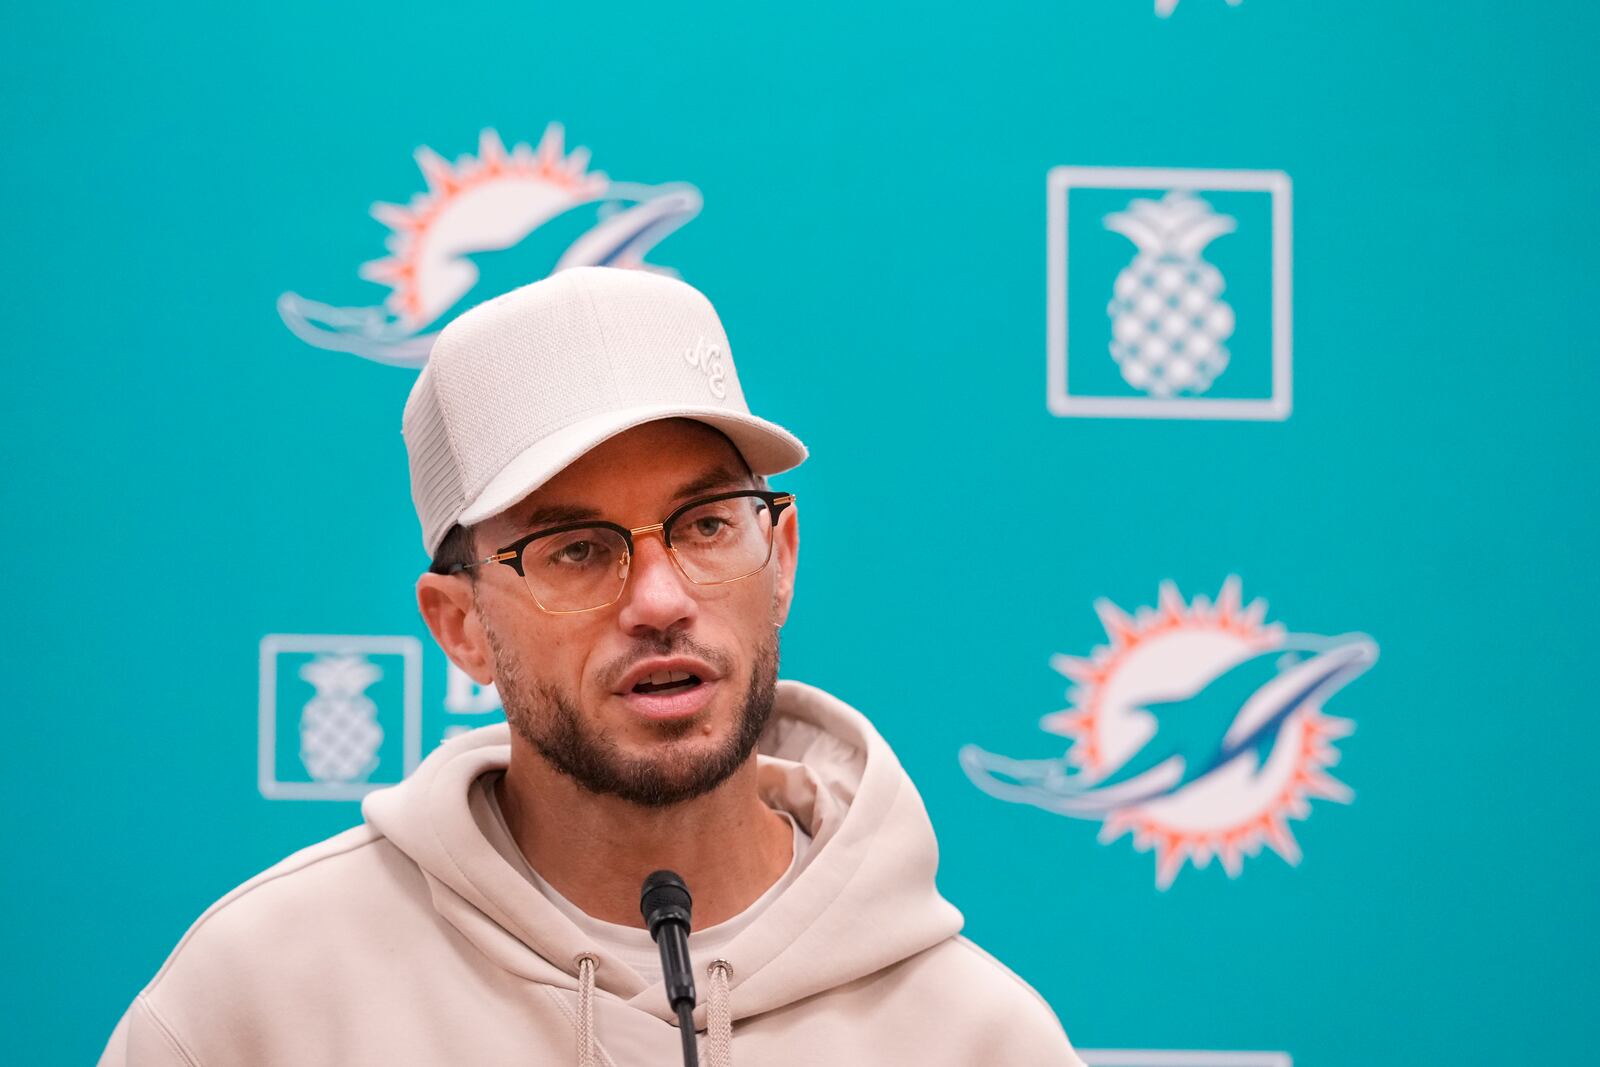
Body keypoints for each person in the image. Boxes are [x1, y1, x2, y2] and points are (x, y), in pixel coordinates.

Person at [98, 267, 1087, 1065]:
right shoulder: (256, 1004)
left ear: (779, 558)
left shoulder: (978, 1038)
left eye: (705, 525)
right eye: (574, 546)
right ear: (460, 626)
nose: (659, 599)